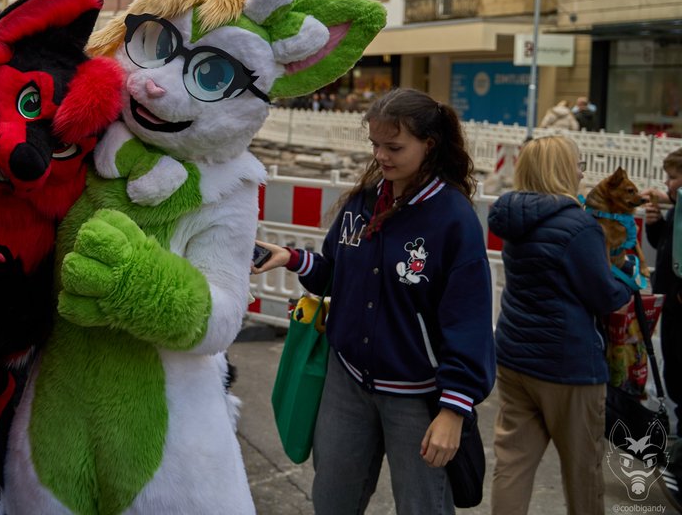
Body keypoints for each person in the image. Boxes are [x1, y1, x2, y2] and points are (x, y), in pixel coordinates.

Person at [255, 87, 495, 514]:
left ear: (430, 144)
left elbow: (470, 320)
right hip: (346, 381)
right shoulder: (363, 203)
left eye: (395, 146)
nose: (381, 156)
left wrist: (454, 410)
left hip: (418, 396)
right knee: (331, 501)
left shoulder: (453, 219)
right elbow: (336, 274)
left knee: (422, 506)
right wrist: (292, 258)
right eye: (376, 144)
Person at [487, 135, 630, 515]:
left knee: (512, 464)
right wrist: (624, 276)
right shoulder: (578, 226)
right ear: (563, 170)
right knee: (583, 471)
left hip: (515, 358)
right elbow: (604, 295)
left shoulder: (512, 219)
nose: (583, 171)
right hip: (568, 367)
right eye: (578, 164)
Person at [647, 148, 682, 430]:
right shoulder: (676, 211)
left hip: (678, 304)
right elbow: (666, 247)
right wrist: (656, 224)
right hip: (672, 303)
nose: (667, 184)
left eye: (672, 177)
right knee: (673, 369)